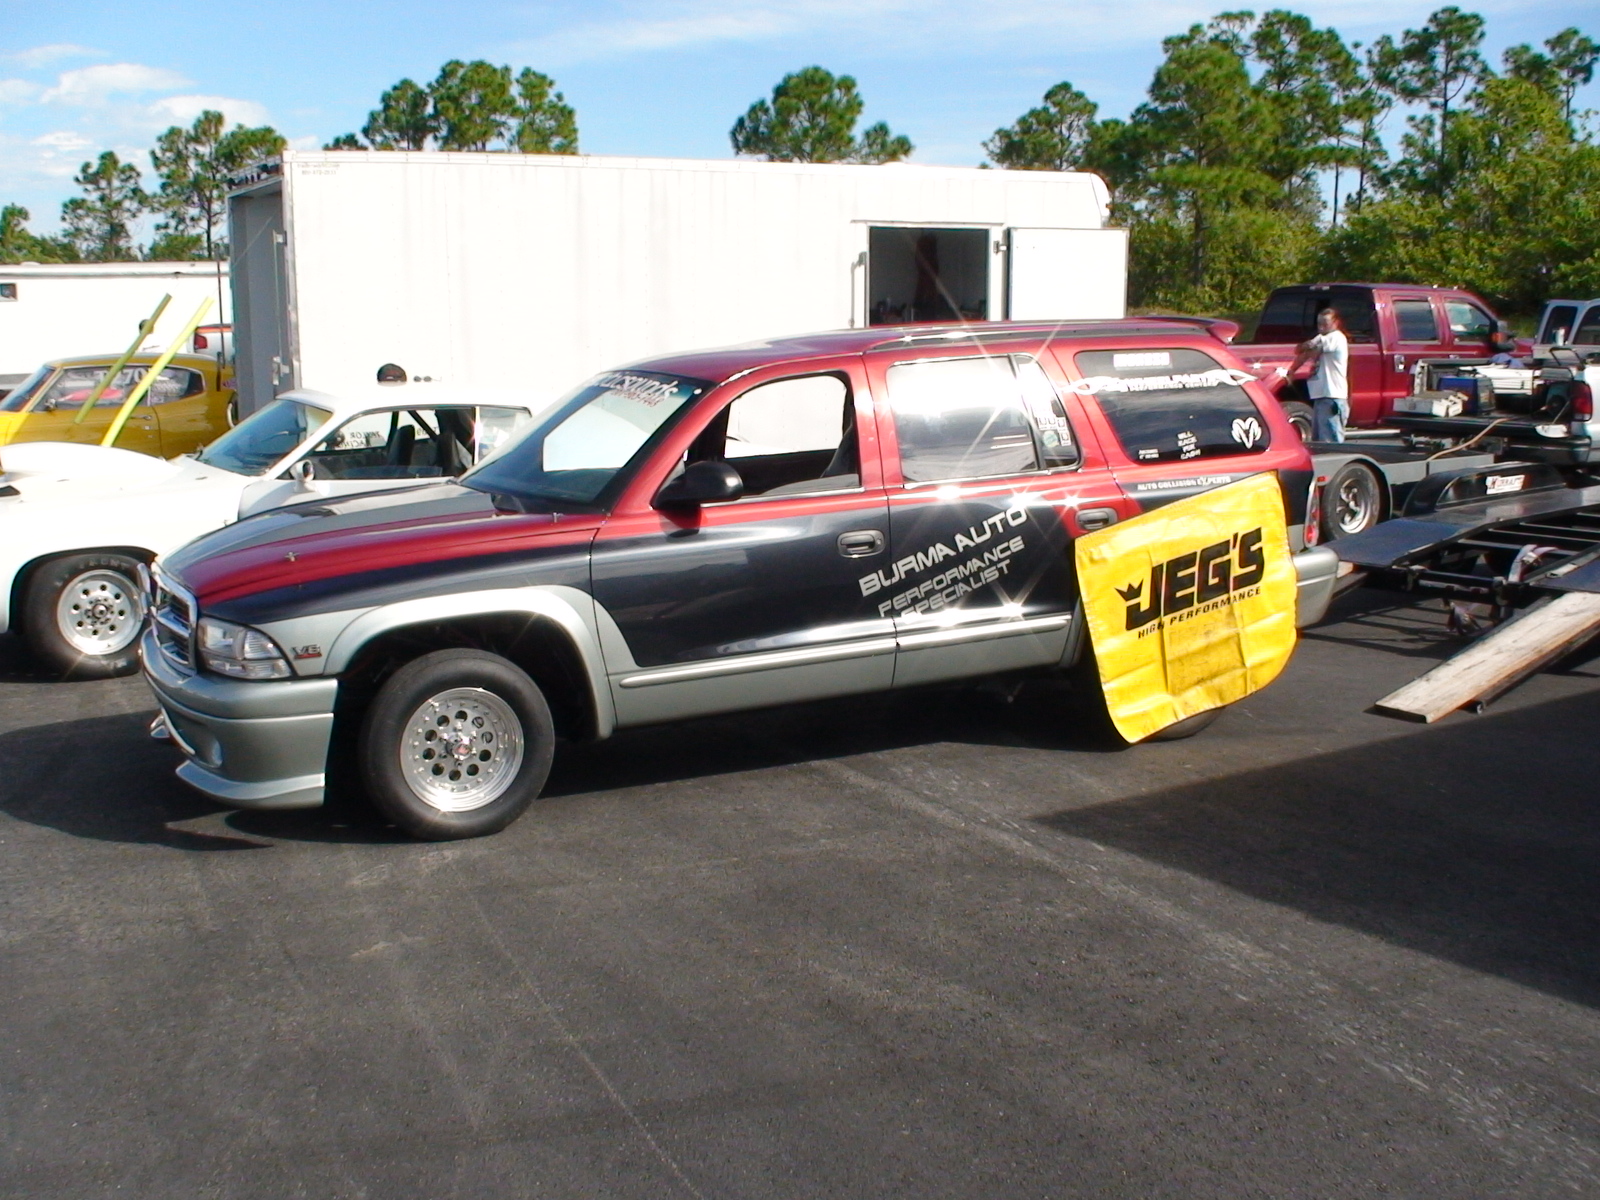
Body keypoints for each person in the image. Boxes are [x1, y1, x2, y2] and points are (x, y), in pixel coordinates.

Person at [1279, 307, 1349, 442]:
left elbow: (1310, 351)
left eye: (1325, 324)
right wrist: (1292, 370)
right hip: (1321, 396)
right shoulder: (1321, 338)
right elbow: (1300, 351)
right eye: (1319, 324)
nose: (1321, 327)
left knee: (1330, 438)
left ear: (1336, 323)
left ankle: (1335, 455)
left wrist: (1307, 348)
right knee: (1319, 439)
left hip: (1332, 395)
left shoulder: (1336, 337)